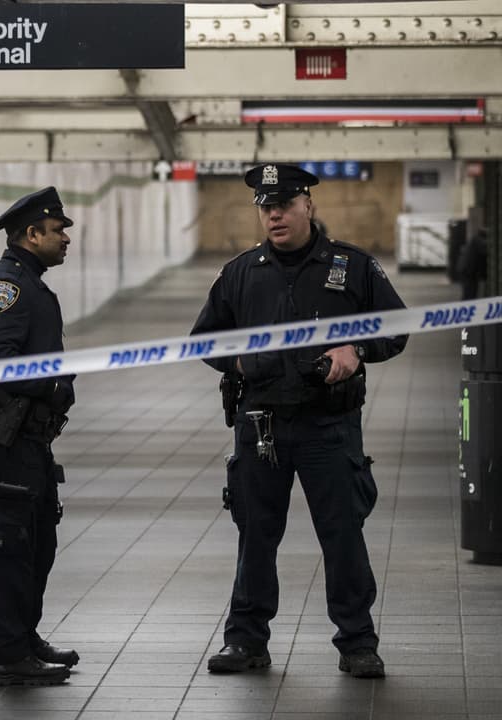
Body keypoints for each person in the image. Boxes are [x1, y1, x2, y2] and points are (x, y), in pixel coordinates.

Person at [191, 163, 408, 679]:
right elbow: (205, 339)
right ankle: (246, 641)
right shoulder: (242, 271)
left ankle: (357, 642)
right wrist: (237, 361)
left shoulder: (352, 267)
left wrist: (356, 348)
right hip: (260, 424)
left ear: (308, 204)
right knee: (256, 536)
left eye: (285, 204)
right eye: (266, 207)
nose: (275, 215)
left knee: (342, 535)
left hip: (327, 428)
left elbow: (397, 328)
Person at [0, 186, 78, 687]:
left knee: (38, 541)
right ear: (32, 234)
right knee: (9, 542)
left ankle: (23, 636)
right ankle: (4, 653)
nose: (66, 240)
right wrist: (52, 383)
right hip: (4, 436)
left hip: (28, 437)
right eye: (57, 231)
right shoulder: (7, 286)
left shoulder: (30, 282)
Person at [458, 228, 489, 301]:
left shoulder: (474, 240)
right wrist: (484, 275)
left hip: (465, 270)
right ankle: (466, 307)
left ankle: (465, 307)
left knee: (467, 292)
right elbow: (483, 257)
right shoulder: (479, 242)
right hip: (469, 271)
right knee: (470, 292)